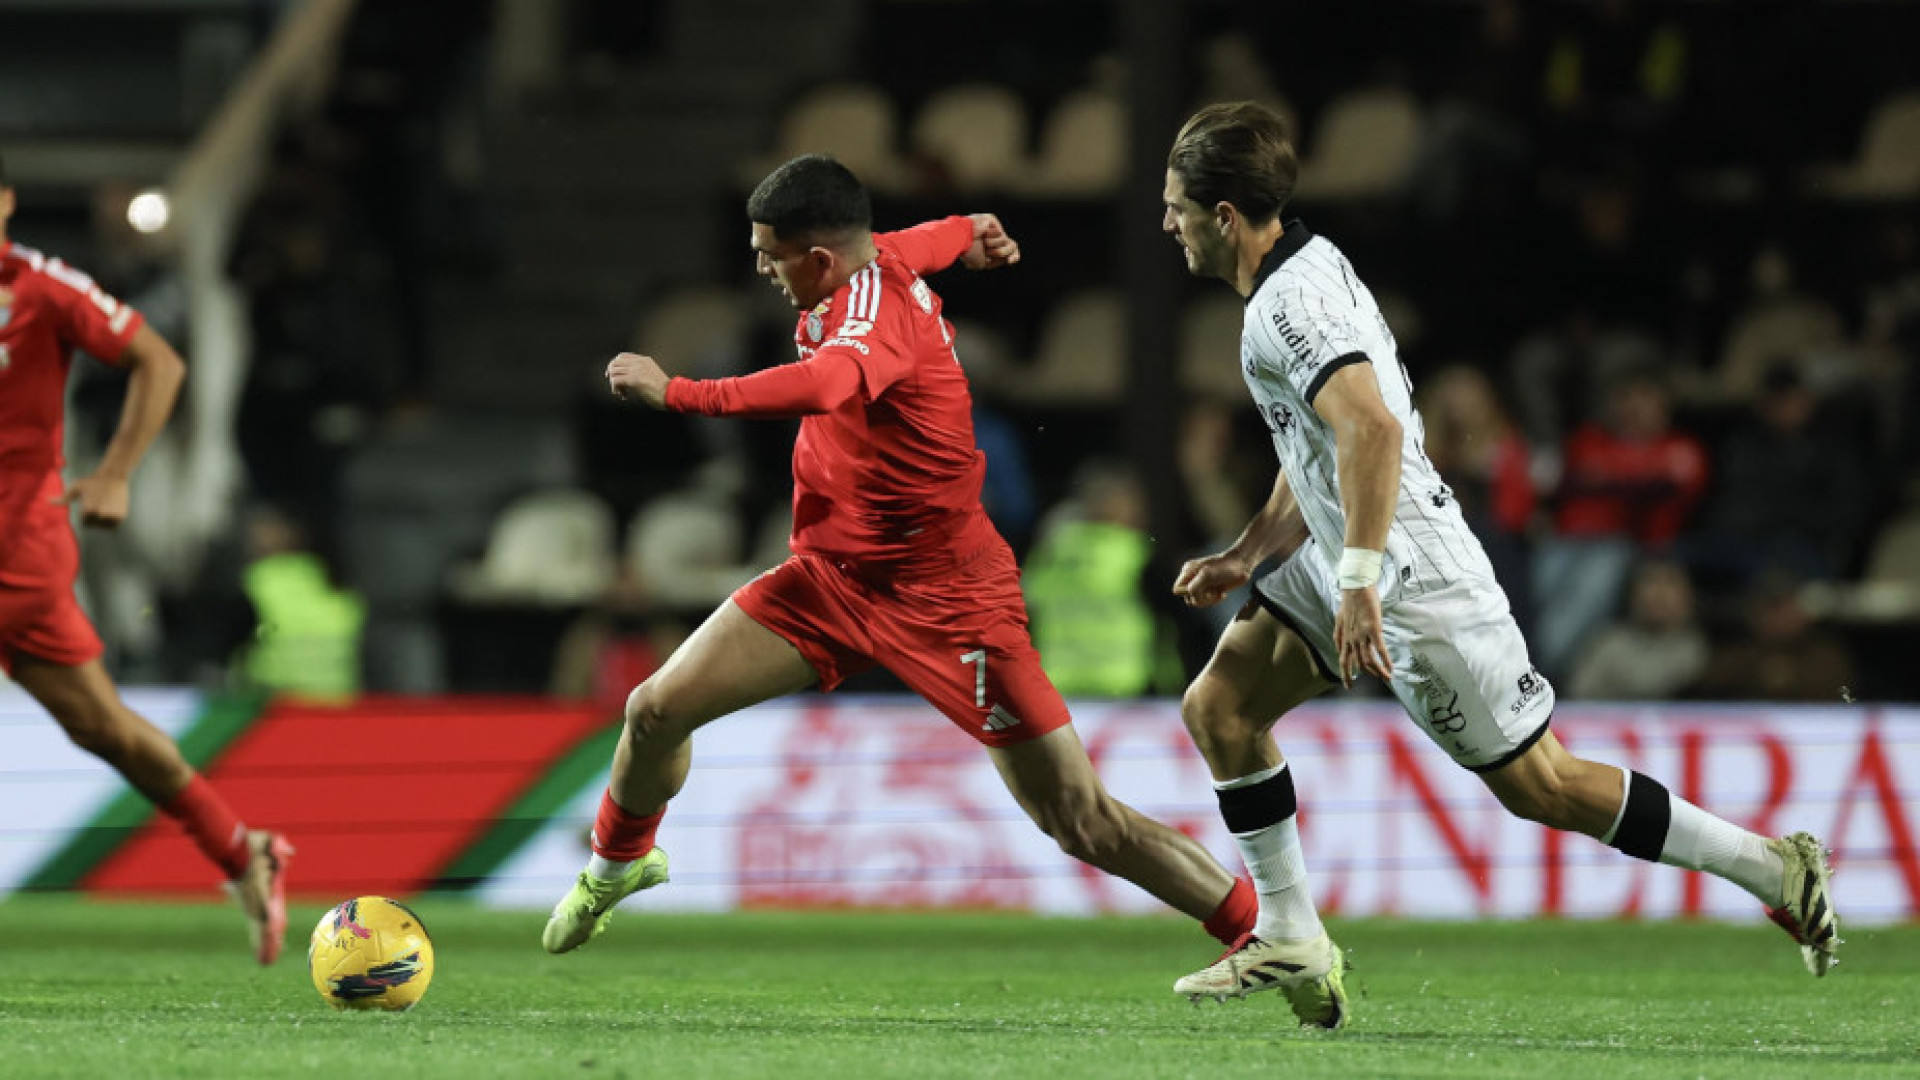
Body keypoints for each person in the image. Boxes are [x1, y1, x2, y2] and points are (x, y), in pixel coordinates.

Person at [1156, 103, 1839, 1026]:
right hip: (1346, 545)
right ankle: (1289, 933)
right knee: (1221, 707)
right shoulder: (1301, 267)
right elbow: (1322, 441)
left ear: (1224, 216)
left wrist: (1358, 580)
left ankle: (1773, 868)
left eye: (1178, 207)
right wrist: (1250, 552)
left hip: (1406, 570)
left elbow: (1373, 428)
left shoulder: (1286, 305)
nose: (1169, 224)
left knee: (1542, 785)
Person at [541, 155, 1260, 965]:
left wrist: (677, 393)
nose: (758, 268)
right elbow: (918, 241)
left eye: (768, 253)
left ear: (816, 259)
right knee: (655, 710)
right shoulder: (873, 258)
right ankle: (616, 866)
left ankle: (1264, 935)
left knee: (1083, 820)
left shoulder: (871, 325)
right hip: (831, 582)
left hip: (949, 602)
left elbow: (822, 386)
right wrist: (971, 231)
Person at [0, 152, 292, 962]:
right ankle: (243, 851)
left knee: (111, 731)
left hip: (19, 553)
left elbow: (159, 360)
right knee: (112, 733)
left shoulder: (43, 287)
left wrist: (118, 472)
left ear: (7, 202)